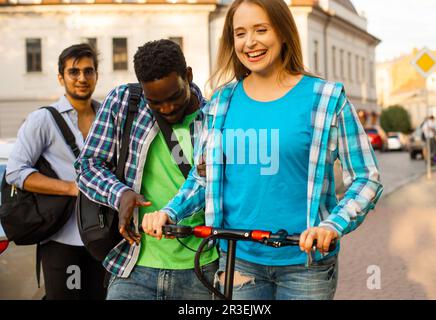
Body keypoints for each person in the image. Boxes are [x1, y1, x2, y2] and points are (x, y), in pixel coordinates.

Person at [145, 0, 383, 300]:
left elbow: (367, 178)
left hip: (304, 266)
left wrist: (332, 225)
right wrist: (170, 211)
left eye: (261, 30)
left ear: (282, 32)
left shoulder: (325, 99)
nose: (250, 42)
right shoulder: (221, 103)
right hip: (239, 263)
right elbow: (204, 176)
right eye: (240, 33)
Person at [75, 39, 218, 300]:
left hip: (201, 268)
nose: (167, 108)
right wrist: (120, 194)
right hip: (135, 266)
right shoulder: (123, 102)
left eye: (174, 97)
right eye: (156, 102)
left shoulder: (214, 117)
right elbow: (87, 166)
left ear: (188, 76)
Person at [6, 43, 106, 300]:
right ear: (61, 77)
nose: (82, 78)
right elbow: (15, 172)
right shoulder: (43, 119)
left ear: (96, 75)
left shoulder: (107, 117)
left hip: (102, 238)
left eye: (88, 71)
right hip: (61, 239)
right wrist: (71, 188)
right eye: (74, 72)